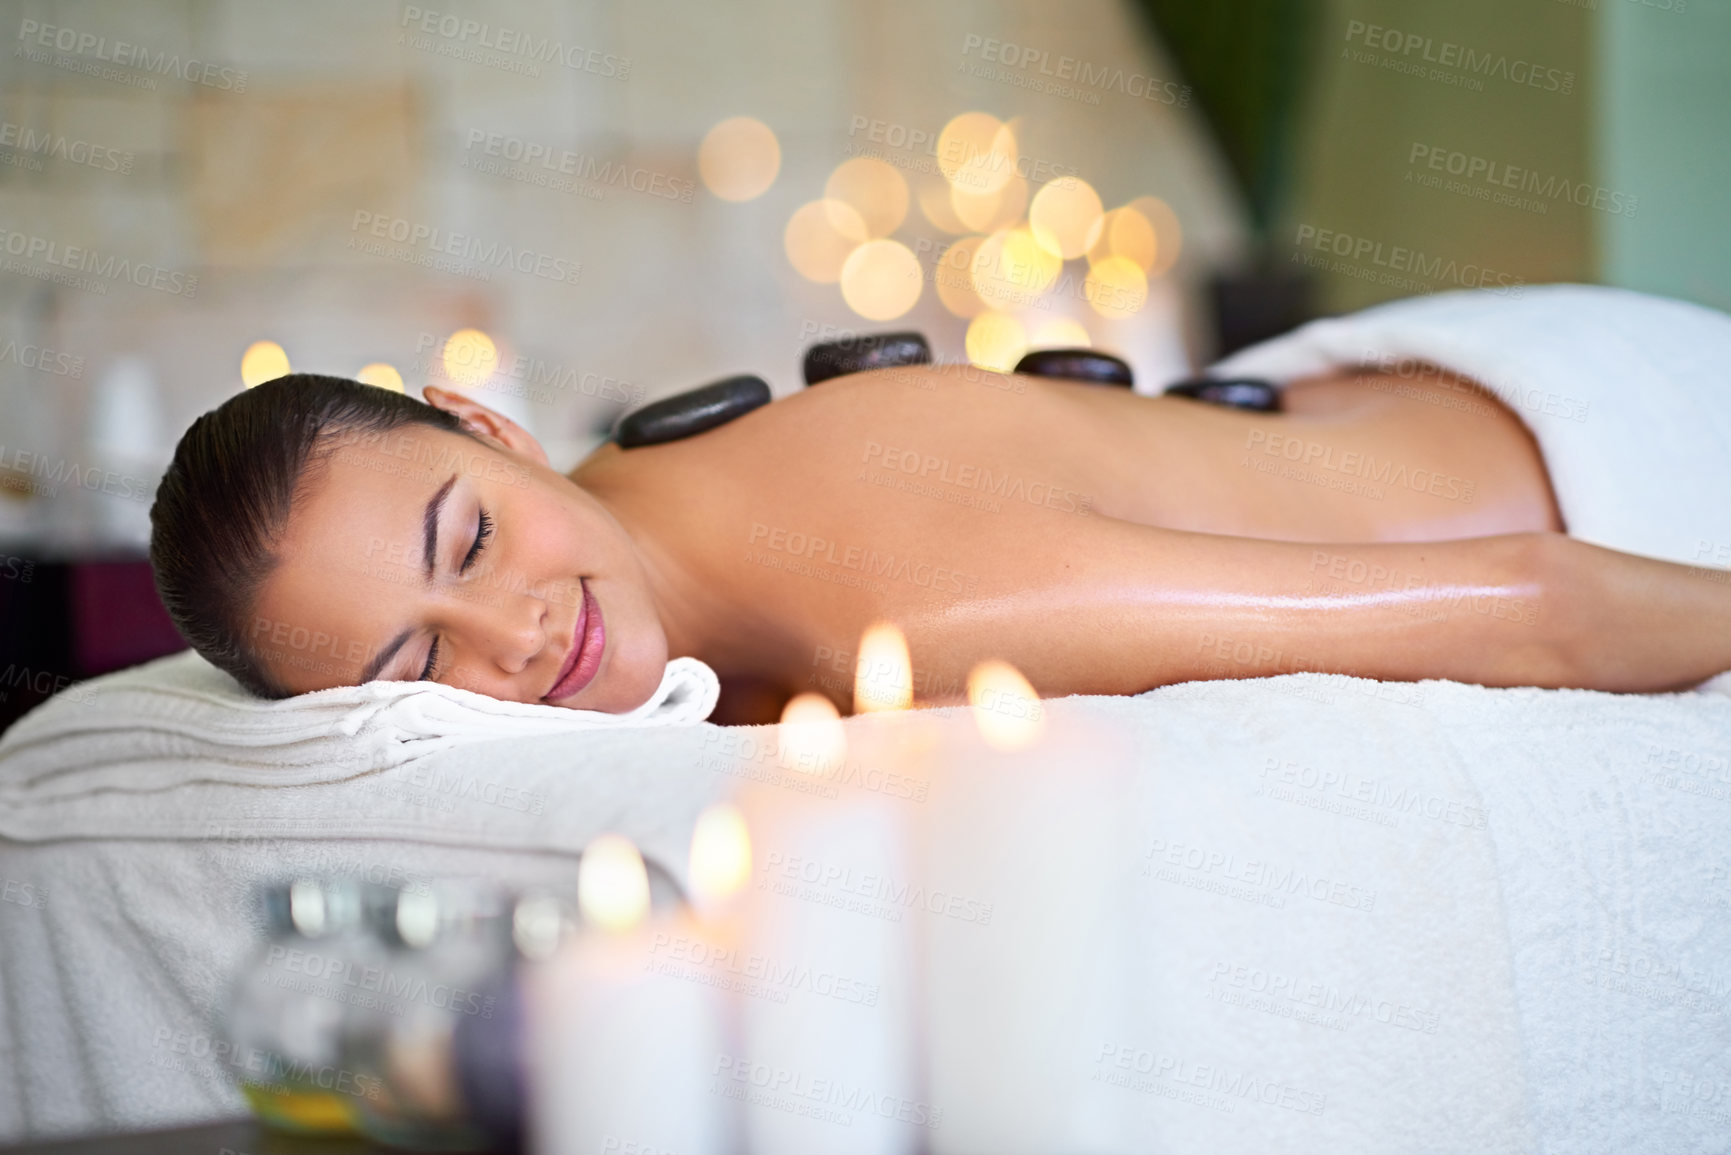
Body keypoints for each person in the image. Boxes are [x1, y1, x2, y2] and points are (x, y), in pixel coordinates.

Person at [148, 357, 1731, 724]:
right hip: (1355, 394)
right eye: (417, 661)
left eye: (469, 534)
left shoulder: (907, 614)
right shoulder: (638, 495)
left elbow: (1537, 605)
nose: (512, 633)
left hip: (1616, 444)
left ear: (483, 420)